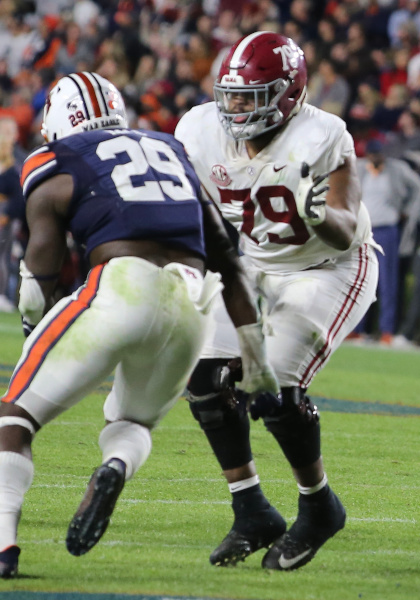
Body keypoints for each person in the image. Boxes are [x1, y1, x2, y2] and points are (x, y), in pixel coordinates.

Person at [0, 72, 278, 578]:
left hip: (123, 285)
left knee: (14, 419)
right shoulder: (171, 149)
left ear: (58, 120)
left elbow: (39, 280)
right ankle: (114, 467)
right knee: (131, 422)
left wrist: (33, 333)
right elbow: (231, 266)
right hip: (195, 306)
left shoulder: (55, 159)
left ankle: (3, 545)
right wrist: (259, 370)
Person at [173, 32, 379, 571]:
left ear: (288, 94)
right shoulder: (198, 129)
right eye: (232, 94)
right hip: (253, 265)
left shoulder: (323, 135)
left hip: (326, 268)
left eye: (251, 96)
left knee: (276, 389)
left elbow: (343, 230)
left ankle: (318, 507)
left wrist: (315, 214)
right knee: (205, 379)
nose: (236, 107)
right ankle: (252, 509)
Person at [355, 138, 420, 344]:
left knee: (387, 281)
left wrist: (408, 211)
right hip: (364, 230)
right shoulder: (359, 169)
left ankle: (387, 329)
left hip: (388, 229)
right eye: (373, 154)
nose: (376, 157)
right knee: (361, 280)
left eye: (379, 153)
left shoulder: (396, 169)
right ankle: (359, 329)